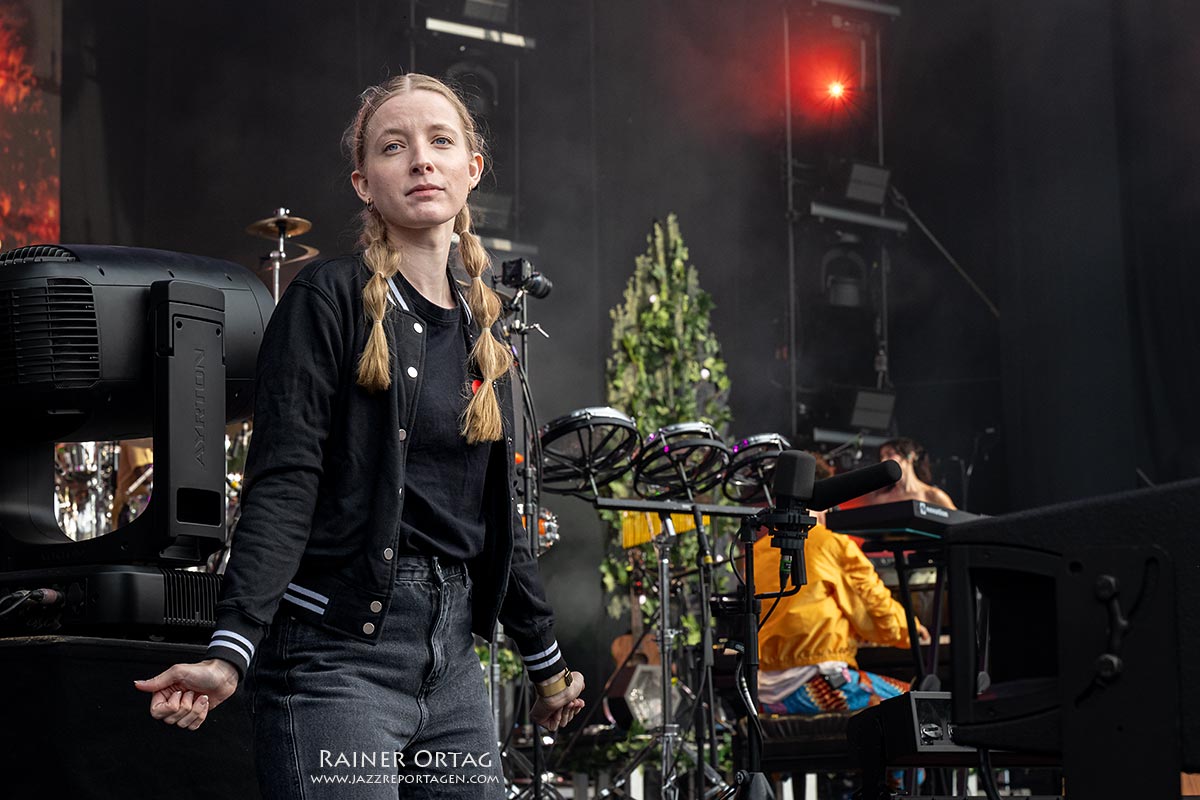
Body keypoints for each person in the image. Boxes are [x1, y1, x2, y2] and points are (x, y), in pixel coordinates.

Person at [134, 73, 584, 797]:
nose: (421, 160)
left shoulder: (487, 331)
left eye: (441, 142)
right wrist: (229, 649)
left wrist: (547, 663)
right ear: (363, 183)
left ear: (473, 170)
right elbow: (284, 480)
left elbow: (496, 520)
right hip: (336, 657)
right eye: (393, 147)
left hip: (455, 669)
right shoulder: (327, 299)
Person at [754, 454, 928, 715]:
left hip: (764, 692)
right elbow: (873, 607)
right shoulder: (831, 544)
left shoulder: (757, 551)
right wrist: (913, 632)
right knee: (918, 706)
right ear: (826, 497)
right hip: (816, 683)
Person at [865, 437, 956, 509]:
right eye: (882, 456)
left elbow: (957, 527)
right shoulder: (880, 498)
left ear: (910, 456)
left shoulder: (933, 495)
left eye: (889, 454)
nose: (883, 460)